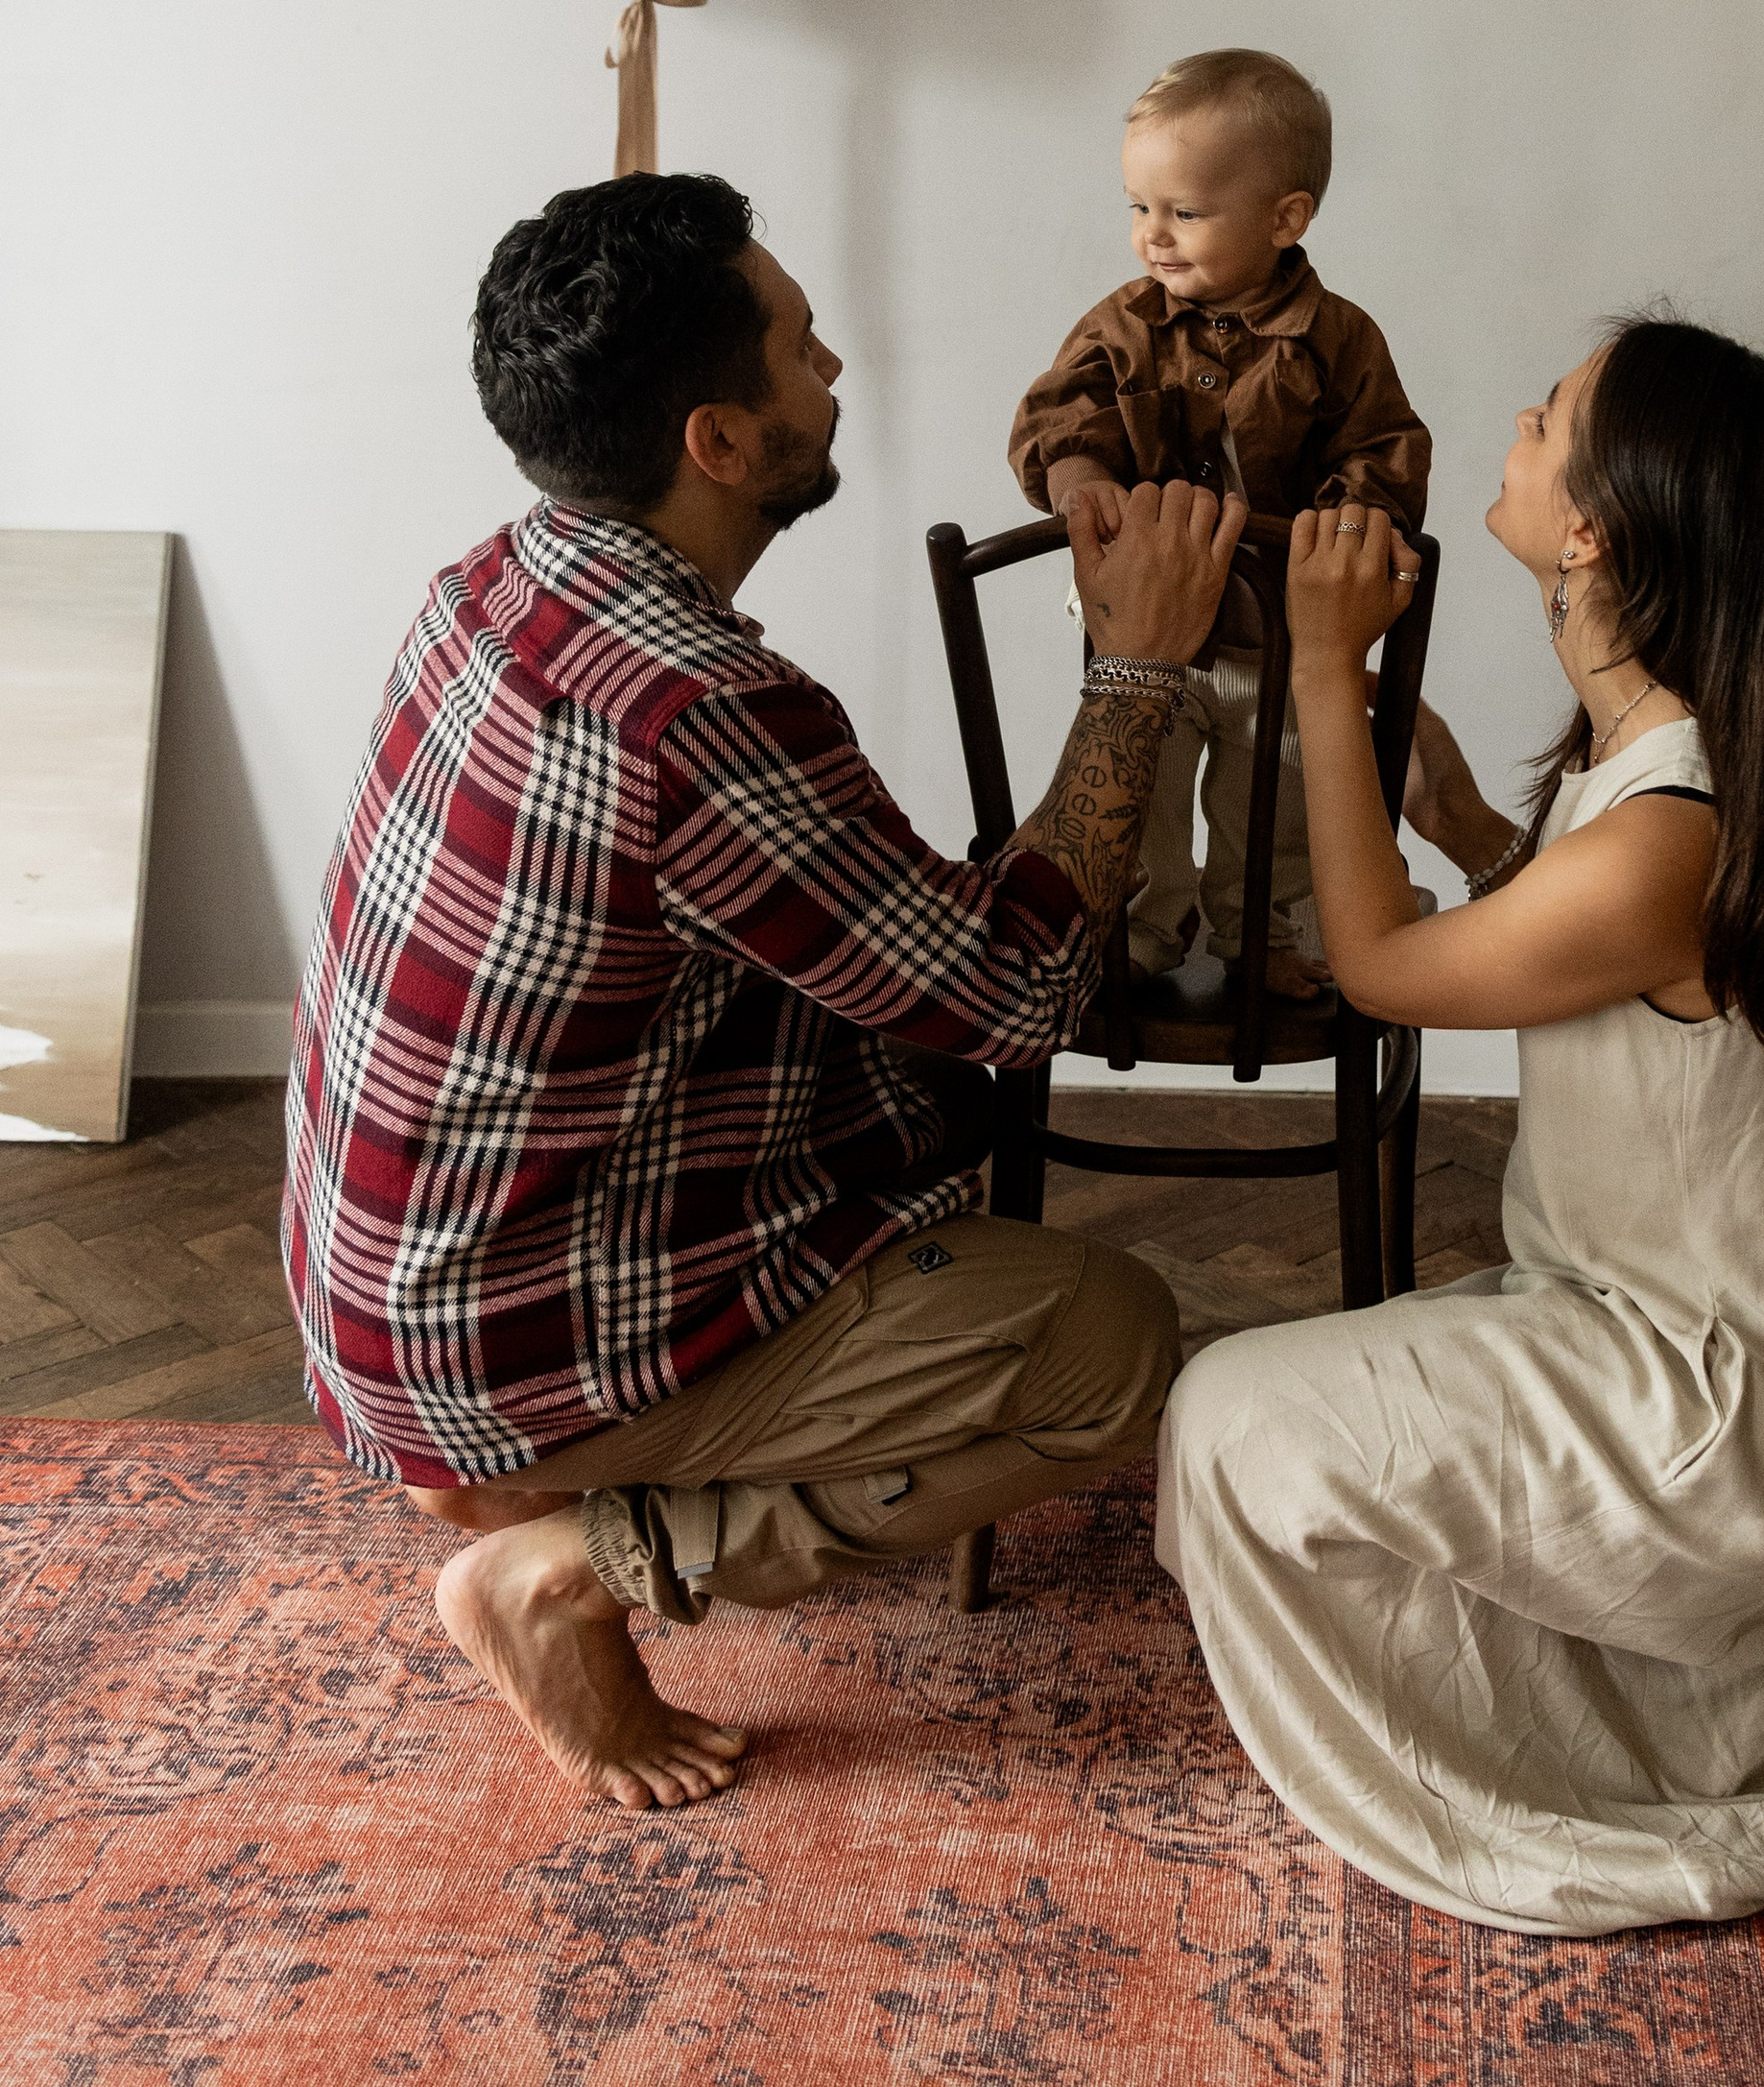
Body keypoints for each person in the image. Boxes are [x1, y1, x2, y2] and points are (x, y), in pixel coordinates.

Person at [282, 171, 1241, 1813]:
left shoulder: (494, 585)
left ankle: (574, 1472)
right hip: (501, 1356)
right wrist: (1138, 660)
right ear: (717, 443)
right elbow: (1022, 997)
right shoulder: (701, 709)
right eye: (800, 347)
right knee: (1112, 1345)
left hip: (390, 1305)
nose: (837, 368)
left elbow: (863, 955)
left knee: (905, 1082)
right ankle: (571, 1558)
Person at [1156, 312, 1764, 1931]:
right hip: (1728, 1349)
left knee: (1226, 1421)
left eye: (1547, 417)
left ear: (1599, 526)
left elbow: (1381, 970)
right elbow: (1576, 948)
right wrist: (1474, 823)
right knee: (1331, 1416)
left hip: (1741, 1410)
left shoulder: (1670, 828)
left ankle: (1576, 1754)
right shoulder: (1671, 750)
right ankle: (1630, 1680)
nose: (1515, 423)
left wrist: (1327, 668)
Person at [1008, 47, 1429, 996]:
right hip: (1147, 628)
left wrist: (1351, 518)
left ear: (1286, 220)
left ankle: (1256, 938)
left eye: (1184, 213)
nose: (1152, 236)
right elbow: (1057, 415)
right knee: (1140, 787)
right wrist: (1080, 477)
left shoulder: (1339, 340)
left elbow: (1384, 445)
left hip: (1277, 636)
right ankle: (1143, 931)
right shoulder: (1120, 323)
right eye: (1138, 207)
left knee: (1269, 800)